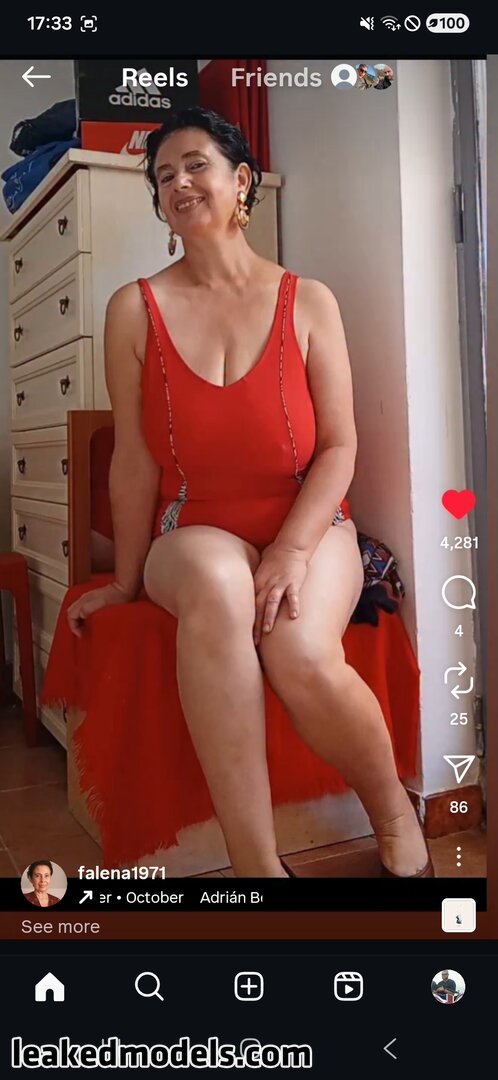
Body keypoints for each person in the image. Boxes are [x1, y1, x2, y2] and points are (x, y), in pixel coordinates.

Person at [66, 105, 432, 879]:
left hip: (311, 522)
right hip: (193, 528)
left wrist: (293, 550)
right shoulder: (133, 309)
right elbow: (133, 461)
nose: (179, 183)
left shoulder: (310, 300)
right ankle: (258, 869)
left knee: (297, 649)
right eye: (164, 175)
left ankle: (396, 817)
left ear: (241, 182)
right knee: (218, 583)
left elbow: (339, 445)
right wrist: (125, 582)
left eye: (195, 164)